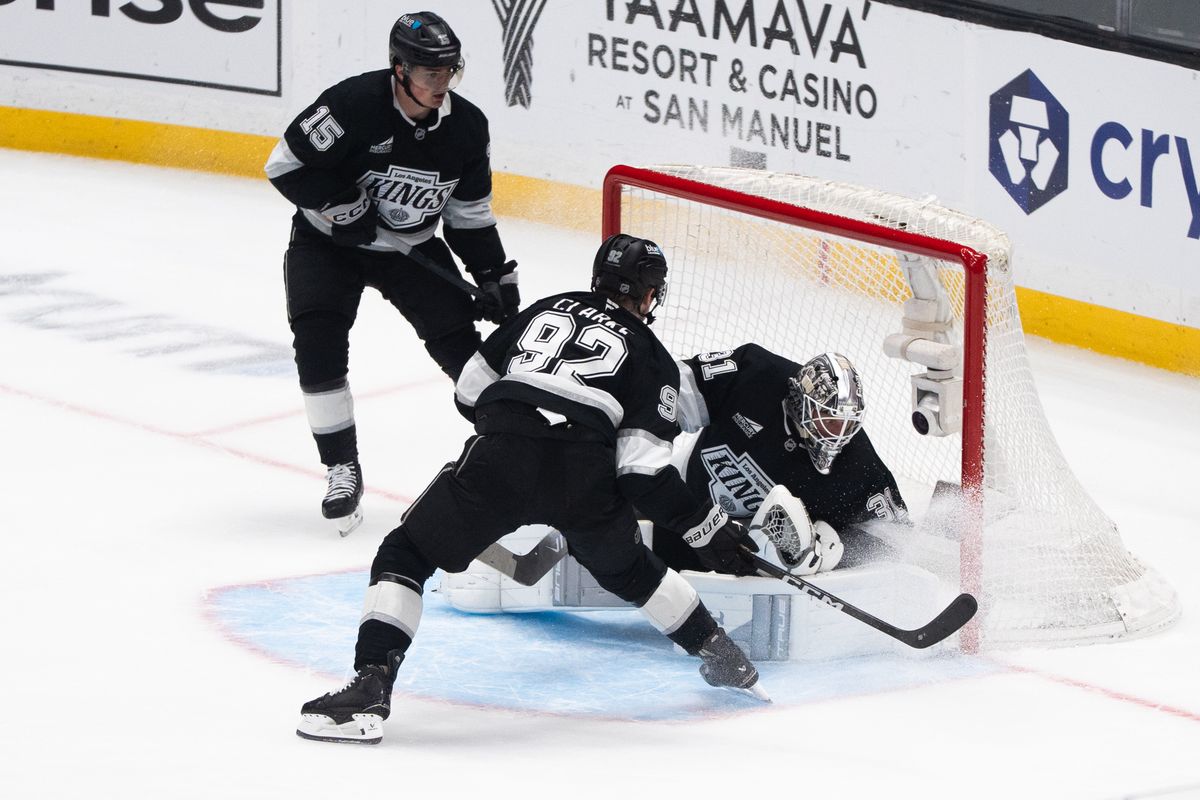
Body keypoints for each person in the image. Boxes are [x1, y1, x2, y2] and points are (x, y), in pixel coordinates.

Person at [296, 234, 767, 745]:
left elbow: (468, 391)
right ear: (651, 295)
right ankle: (725, 660)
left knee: (405, 552)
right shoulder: (653, 356)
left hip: (502, 456)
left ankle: (369, 689)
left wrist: (518, 418)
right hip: (584, 477)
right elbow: (641, 473)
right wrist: (709, 527)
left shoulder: (545, 309)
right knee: (632, 571)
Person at [264, 11, 519, 534]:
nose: (441, 84)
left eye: (449, 72)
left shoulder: (467, 128)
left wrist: (493, 274)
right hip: (327, 245)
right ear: (398, 69)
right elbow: (285, 165)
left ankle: (523, 454)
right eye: (430, 73)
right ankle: (340, 466)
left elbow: (468, 216)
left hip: (411, 250)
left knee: (461, 349)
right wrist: (341, 205)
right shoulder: (352, 104)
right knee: (317, 340)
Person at [652, 345, 909, 577]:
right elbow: (668, 392)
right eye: (829, 420)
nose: (838, 434)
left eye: (847, 424)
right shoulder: (755, 376)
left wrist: (838, 548)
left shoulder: (858, 466)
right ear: (800, 400)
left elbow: (895, 542)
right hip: (685, 508)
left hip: (751, 560)